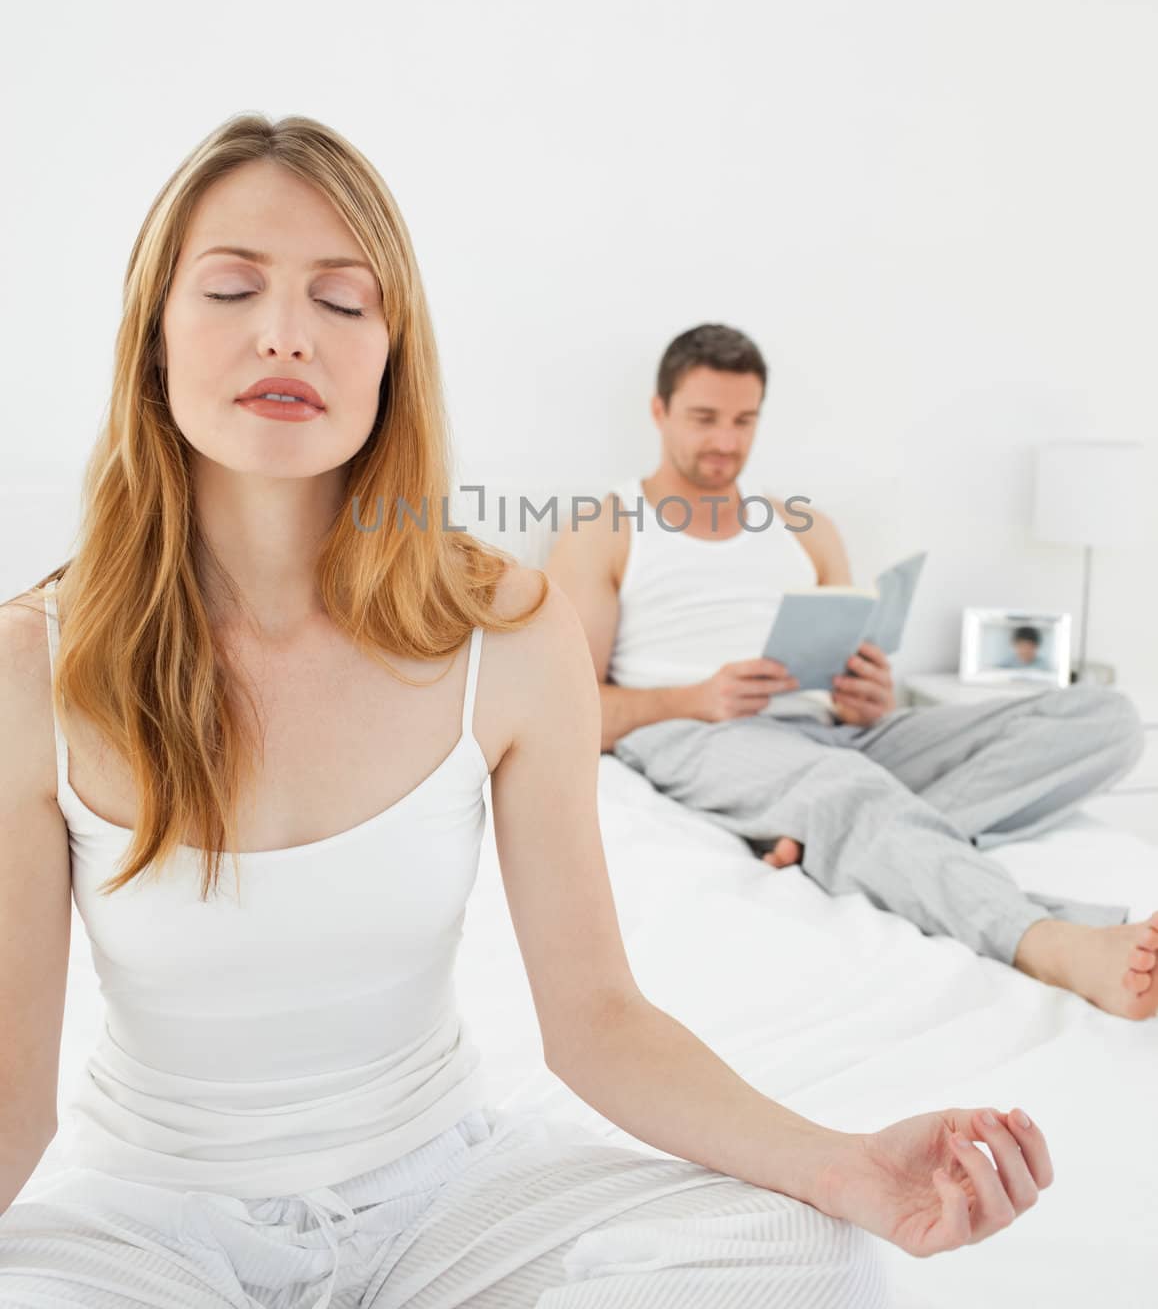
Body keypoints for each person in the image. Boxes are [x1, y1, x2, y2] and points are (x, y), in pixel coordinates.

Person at [0, 118, 1054, 1309]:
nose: (286, 331)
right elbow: (9, 1105)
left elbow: (598, 1017)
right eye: (233, 286)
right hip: (151, 1226)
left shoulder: (504, 628)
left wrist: (847, 1167)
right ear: (154, 339)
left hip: (441, 1199)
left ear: (393, 357)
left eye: (343, 302)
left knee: (811, 1252)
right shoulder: (33, 666)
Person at [546, 323, 1158, 1025]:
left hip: (835, 733)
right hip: (702, 732)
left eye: (744, 421)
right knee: (849, 788)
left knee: (1102, 718)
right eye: (704, 418)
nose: (725, 441)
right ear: (660, 413)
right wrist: (699, 696)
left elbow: (854, 657)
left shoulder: (803, 526)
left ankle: (821, 849)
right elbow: (567, 709)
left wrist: (870, 698)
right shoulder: (606, 527)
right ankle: (1051, 940)